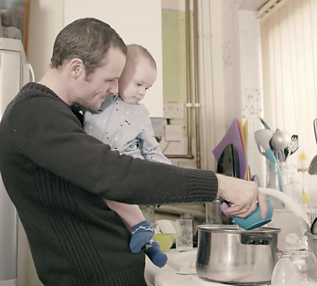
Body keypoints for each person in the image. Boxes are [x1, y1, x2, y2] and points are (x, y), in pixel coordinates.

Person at [0, 17, 267, 286]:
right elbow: (116, 173)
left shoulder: (61, 114)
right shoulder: (35, 112)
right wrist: (219, 184)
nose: (115, 89)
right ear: (77, 68)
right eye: (110, 79)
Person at [83, 44, 171, 268]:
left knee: (116, 185)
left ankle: (142, 227)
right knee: (109, 203)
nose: (142, 92)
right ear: (119, 74)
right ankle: (149, 243)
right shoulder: (98, 98)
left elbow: (151, 148)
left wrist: (168, 175)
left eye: (147, 88)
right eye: (138, 84)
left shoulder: (141, 113)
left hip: (126, 166)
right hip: (95, 167)